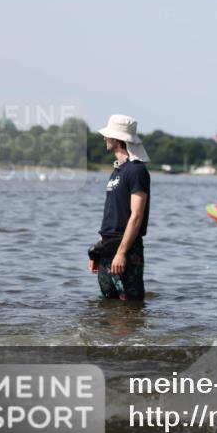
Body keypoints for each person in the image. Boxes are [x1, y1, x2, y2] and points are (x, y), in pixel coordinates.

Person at [89, 115, 151, 302]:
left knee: (130, 304)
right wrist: (98, 251)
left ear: (117, 139)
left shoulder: (136, 171)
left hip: (126, 249)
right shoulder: (117, 171)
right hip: (107, 249)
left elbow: (137, 215)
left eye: (107, 135)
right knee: (108, 305)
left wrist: (121, 253)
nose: (104, 139)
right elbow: (111, 214)